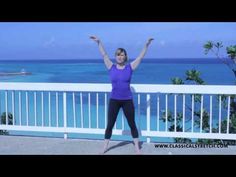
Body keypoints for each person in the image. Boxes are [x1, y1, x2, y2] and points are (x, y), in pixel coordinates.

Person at [90, 36, 154, 154]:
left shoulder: (130, 67)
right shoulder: (111, 67)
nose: (120, 56)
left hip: (127, 100)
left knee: (132, 124)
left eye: (122, 54)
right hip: (114, 100)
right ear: (116, 56)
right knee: (110, 124)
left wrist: (146, 45)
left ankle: (137, 147)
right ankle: (105, 147)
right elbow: (104, 55)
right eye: (118, 54)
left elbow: (140, 57)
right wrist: (99, 42)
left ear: (125, 57)